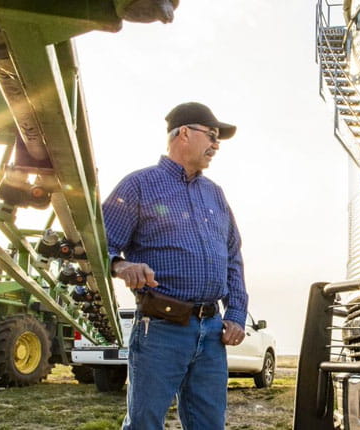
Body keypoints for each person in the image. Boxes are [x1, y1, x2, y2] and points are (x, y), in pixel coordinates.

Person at [103, 101, 249, 430]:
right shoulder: (138, 185)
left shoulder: (216, 194)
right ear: (183, 134)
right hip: (160, 329)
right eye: (211, 135)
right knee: (145, 423)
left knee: (210, 424)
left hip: (212, 333)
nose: (215, 145)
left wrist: (236, 313)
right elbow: (100, 245)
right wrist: (121, 265)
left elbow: (233, 256)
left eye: (218, 140)